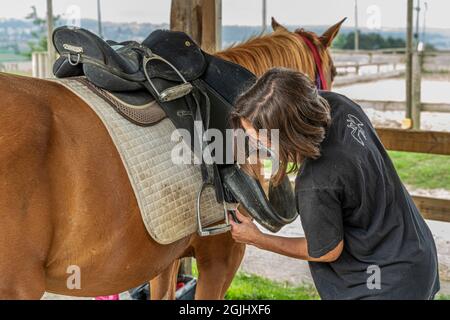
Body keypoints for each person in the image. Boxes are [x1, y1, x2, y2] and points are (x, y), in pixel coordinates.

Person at [228, 67, 440, 300]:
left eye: (262, 137)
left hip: (381, 283)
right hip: (416, 253)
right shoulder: (339, 106)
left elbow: (327, 251)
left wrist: (259, 239)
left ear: (288, 132)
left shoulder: (316, 181)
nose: (257, 142)